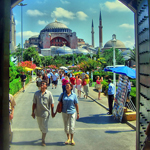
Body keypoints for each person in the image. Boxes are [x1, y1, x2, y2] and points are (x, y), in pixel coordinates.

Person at [31, 80, 55, 146]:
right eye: (41, 84)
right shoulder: (36, 93)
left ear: (46, 86)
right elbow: (34, 103)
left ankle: (43, 140)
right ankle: (43, 133)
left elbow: (52, 103)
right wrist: (33, 112)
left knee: (44, 126)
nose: (42, 84)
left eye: (43, 84)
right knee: (40, 127)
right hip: (38, 113)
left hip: (45, 113)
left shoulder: (49, 93)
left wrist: (53, 112)